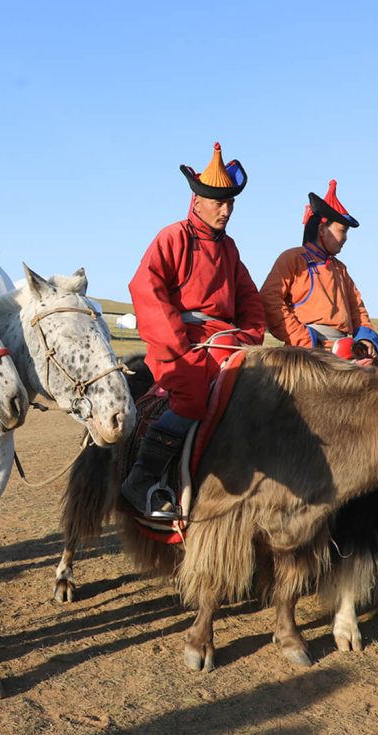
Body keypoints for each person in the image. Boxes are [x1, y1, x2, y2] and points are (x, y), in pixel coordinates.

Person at [122, 143, 267, 518]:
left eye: (230, 203)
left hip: (226, 346)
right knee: (192, 396)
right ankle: (142, 479)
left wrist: (248, 338)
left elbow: (251, 300)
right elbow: (146, 290)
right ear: (197, 199)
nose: (226, 210)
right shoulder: (173, 237)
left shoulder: (230, 249)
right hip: (179, 346)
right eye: (218, 202)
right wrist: (178, 346)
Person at [259, 180, 378, 359]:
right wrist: (300, 337)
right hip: (306, 353)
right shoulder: (292, 258)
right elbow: (270, 300)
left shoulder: (340, 269)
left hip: (344, 353)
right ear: (323, 229)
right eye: (342, 230)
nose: (346, 238)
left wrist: (366, 339)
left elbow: (358, 310)